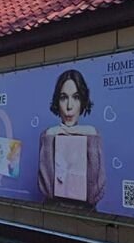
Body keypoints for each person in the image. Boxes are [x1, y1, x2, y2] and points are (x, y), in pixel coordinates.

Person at [37, 69, 105, 206]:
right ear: (57, 101)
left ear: (83, 101)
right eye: (63, 98)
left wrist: (90, 136)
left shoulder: (92, 135)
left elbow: (94, 195)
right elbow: (48, 191)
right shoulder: (48, 135)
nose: (69, 106)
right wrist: (50, 137)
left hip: (85, 216)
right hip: (52, 212)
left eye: (76, 97)